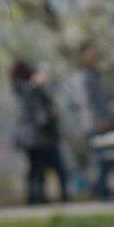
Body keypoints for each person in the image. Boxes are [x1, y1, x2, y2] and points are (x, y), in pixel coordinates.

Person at [11, 60, 70, 205]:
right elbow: (37, 107)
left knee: (38, 168)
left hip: (37, 135)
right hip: (38, 135)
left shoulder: (28, 87)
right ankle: (38, 197)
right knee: (44, 167)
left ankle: (37, 197)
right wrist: (37, 84)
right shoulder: (24, 87)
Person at [77, 40, 114, 201]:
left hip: (104, 122)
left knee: (107, 158)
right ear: (83, 56)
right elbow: (87, 102)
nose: (95, 54)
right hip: (95, 124)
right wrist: (97, 121)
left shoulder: (96, 74)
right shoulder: (85, 77)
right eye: (91, 51)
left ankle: (101, 188)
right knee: (100, 158)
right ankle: (100, 190)